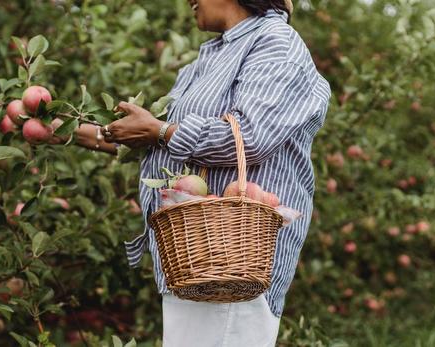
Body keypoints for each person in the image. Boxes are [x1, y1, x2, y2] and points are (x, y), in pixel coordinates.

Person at [57, 0, 331, 345]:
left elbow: (249, 138)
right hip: (193, 255)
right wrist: (65, 130)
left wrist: (158, 130)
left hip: (236, 259)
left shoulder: (275, 41)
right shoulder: (208, 58)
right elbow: (159, 140)